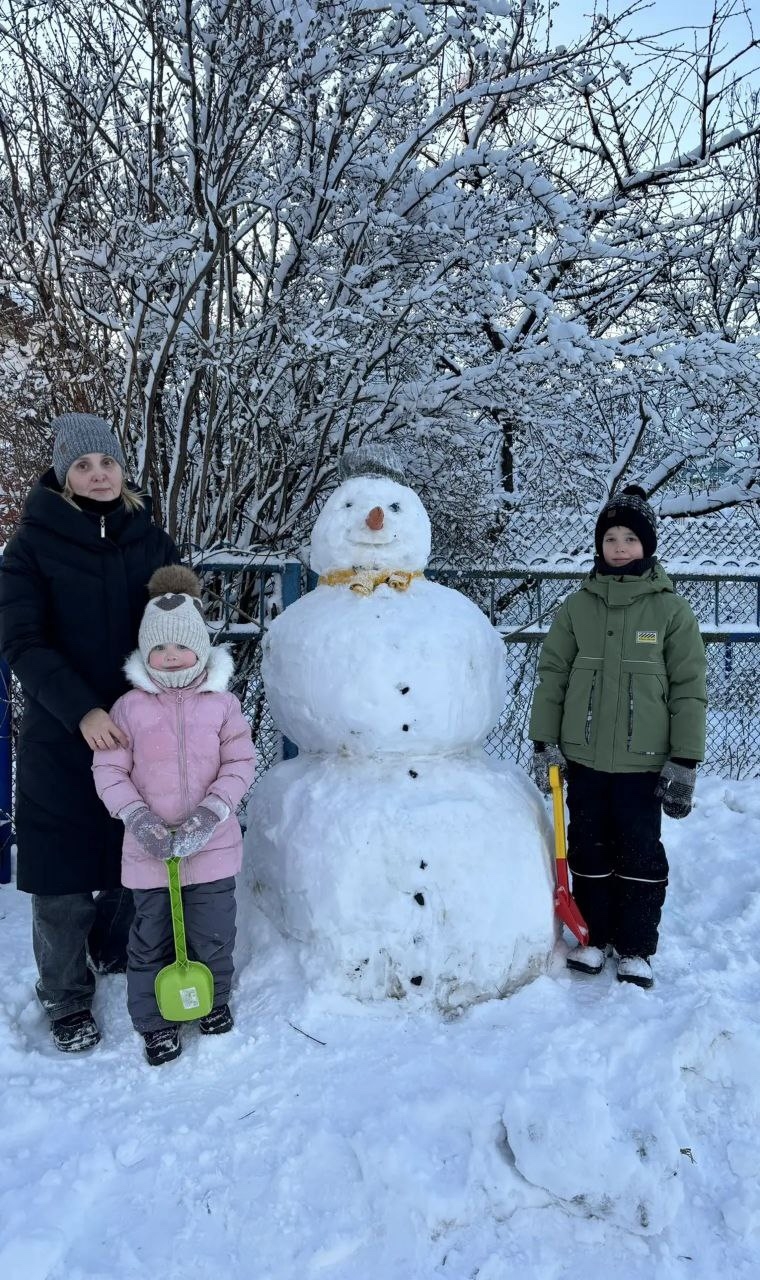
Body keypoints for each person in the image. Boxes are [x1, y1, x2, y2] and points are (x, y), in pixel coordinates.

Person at [0, 413, 179, 1052]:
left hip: (140, 727)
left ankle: (113, 951)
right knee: (63, 875)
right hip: (62, 730)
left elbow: (177, 626)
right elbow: (23, 639)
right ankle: (66, 997)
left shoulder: (151, 540)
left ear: (122, 468)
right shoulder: (29, 548)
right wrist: (82, 710)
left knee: (134, 852)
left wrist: (169, 691)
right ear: (62, 474)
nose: (98, 474)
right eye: (83, 465)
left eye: (106, 462)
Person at [529, 485, 707, 988]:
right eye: (611, 537)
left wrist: (684, 760)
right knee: (588, 851)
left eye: (631, 537)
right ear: (599, 545)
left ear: (647, 546)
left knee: (640, 855)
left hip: (643, 765)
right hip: (583, 759)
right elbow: (553, 676)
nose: (621, 546)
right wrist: (545, 744)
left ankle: (634, 948)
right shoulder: (576, 607)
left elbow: (690, 690)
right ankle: (593, 937)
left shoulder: (671, 612)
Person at [92, 566, 255, 1065]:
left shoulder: (223, 706)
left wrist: (210, 813)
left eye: (180, 646)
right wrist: (137, 818)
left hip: (213, 849)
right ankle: (154, 1021)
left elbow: (240, 763)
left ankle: (212, 1001)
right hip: (149, 852)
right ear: (145, 652)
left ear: (201, 648)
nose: (169, 656)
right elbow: (110, 769)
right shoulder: (128, 708)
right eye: (158, 648)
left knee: (212, 930)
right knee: (149, 937)